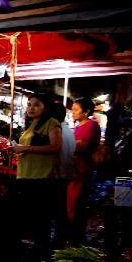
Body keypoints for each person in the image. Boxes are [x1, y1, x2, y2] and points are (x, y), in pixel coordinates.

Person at [12, 94, 62, 251]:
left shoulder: (52, 123)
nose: (31, 108)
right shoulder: (30, 125)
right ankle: (36, 252)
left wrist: (25, 148)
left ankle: (43, 256)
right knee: (31, 218)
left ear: (45, 107)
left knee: (41, 220)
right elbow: (29, 149)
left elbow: (55, 147)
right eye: (29, 104)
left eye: (36, 105)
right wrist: (16, 150)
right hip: (26, 175)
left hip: (42, 178)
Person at [68, 97, 101, 241]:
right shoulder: (78, 126)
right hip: (73, 170)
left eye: (76, 109)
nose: (72, 112)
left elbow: (83, 145)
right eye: (72, 109)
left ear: (86, 111)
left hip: (81, 170)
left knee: (76, 204)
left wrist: (63, 144)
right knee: (71, 203)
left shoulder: (91, 125)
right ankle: (73, 236)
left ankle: (76, 238)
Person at [51, 103, 75, 243]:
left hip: (58, 176)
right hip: (64, 176)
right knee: (60, 211)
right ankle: (59, 240)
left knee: (57, 212)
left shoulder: (59, 132)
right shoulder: (67, 131)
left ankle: (57, 242)